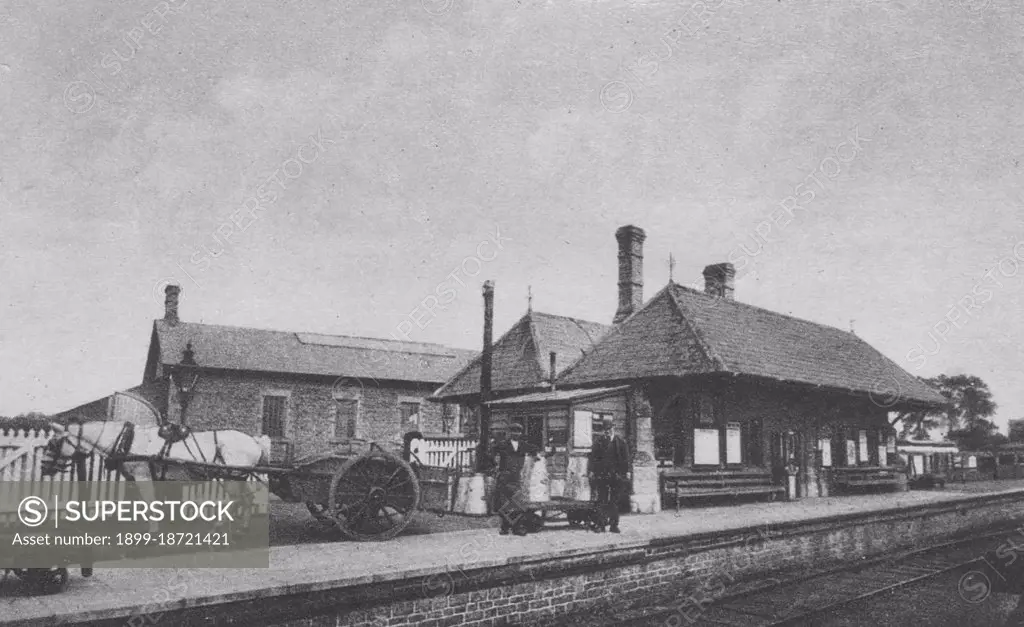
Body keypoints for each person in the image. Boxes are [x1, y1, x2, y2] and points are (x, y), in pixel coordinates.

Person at [492, 423, 539, 536]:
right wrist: (495, 467)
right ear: (510, 433)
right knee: (504, 504)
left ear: (521, 433)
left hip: (517, 477)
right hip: (504, 477)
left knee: (517, 503)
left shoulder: (524, 445)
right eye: (513, 431)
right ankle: (504, 527)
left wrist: (537, 455)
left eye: (518, 432)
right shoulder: (502, 445)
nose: (516, 434)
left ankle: (517, 527)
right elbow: (491, 454)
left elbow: (535, 450)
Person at [588, 416, 630, 533]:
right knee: (602, 500)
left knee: (614, 501)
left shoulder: (621, 442)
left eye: (609, 428)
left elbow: (626, 459)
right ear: (603, 430)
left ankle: (614, 525)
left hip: (616, 476)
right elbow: (593, 458)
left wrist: (627, 472)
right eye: (605, 429)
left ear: (613, 428)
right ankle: (601, 525)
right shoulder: (598, 442)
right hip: (602, 475)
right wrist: (591, 471)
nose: (607, 431)